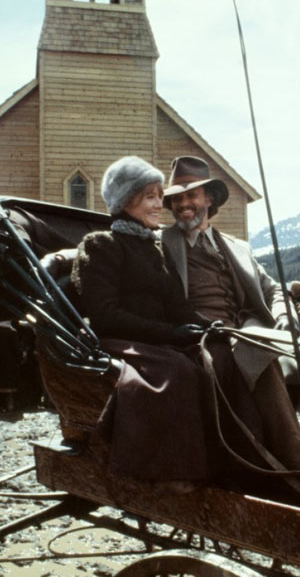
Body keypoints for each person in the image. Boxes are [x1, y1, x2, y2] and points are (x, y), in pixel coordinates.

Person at [159, 156, 300, 496]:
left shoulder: (238, 247)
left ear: (209, 199)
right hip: (201, 337)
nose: (183, 205)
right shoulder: (161, 244)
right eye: (177, 199)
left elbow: (274, 290)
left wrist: (286, 316)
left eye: (191, 196)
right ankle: (298, 464)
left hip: (251, 329)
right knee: (258, 352)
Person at [72, 156, 214, 488]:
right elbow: (106, 315)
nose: (159, 204)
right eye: (150, 196)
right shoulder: (101, 245)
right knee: (176, 372)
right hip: (119, 340)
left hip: (158, 340)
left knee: (215, 357)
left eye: (158, 195)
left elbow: (178, 306)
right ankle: (169, 472)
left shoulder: (156, 248)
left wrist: (206, 327)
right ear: (126, 202)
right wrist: (170, 333)